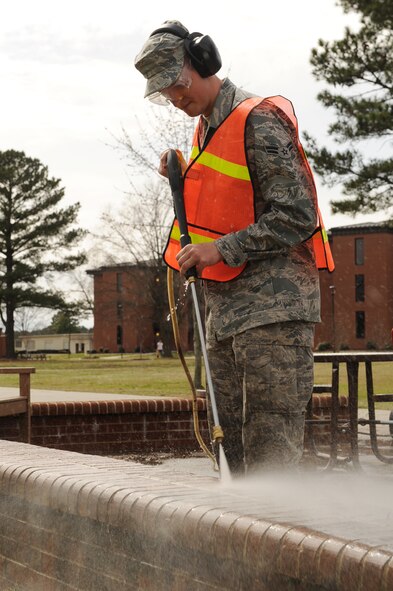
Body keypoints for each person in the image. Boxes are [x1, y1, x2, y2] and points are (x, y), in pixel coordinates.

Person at [134, 21, 333, 475]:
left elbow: (298, 216)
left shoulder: (258, 120)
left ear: (203, 62)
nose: (176, 99)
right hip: (226, 314)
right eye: (166, 92)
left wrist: (220, 250)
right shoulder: (206, 130)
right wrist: (184, 178)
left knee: (271, 452)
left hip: (273, 313)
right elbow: (231, 201)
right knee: (233, 454)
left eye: (179, 85)